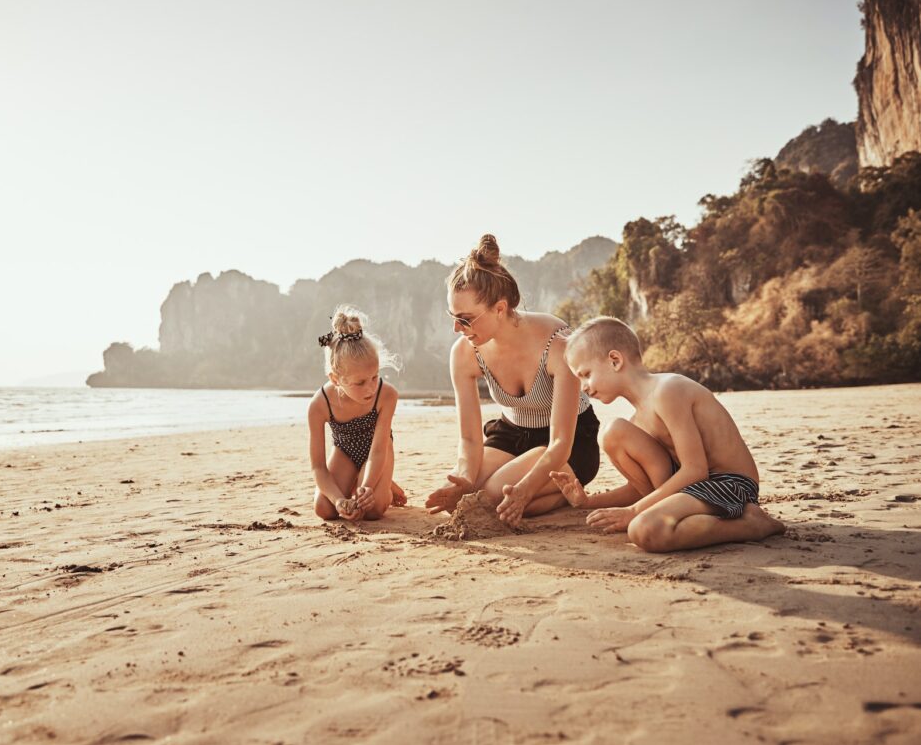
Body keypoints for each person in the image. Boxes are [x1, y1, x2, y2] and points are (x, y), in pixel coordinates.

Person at [549, 316, 785, 552]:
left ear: (614, 360)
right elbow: (640, 490)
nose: (584, 387)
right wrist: (587, 502)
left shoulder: (667, 391)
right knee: (613, 433)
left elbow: (695, 469)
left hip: (730, 484)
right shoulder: (638, 420)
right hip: (692, 486)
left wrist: (634, 512)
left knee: (644, 530)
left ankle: (751, 524)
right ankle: (677, 514)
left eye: (585, 374)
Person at [424, 234, 601, 526]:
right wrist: (465, 478)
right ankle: (550, 495)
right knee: (466, 497)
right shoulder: (465, 353)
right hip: (512, 434)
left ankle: (556, 491)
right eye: (452, 317)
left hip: (567, 444)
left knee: (492, 497)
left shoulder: (557, 345)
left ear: (500, 308)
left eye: (466, 319)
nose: (457, 328)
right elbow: (469, 439)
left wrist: (524, 491)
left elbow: (560, 442)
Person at [308, 305, 406, 521]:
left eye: (374, 377)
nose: (371, 388)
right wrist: (337, 500)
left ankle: (383, 487)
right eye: (360, 382)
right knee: (324, 510)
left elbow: (378, 451)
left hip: (379, 453)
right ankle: (360, 479)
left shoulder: (386, 395)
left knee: (371, 510)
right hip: (345, 452)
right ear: (336, 379)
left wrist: (368, 488)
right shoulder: (319, 405)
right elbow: (318, 466)